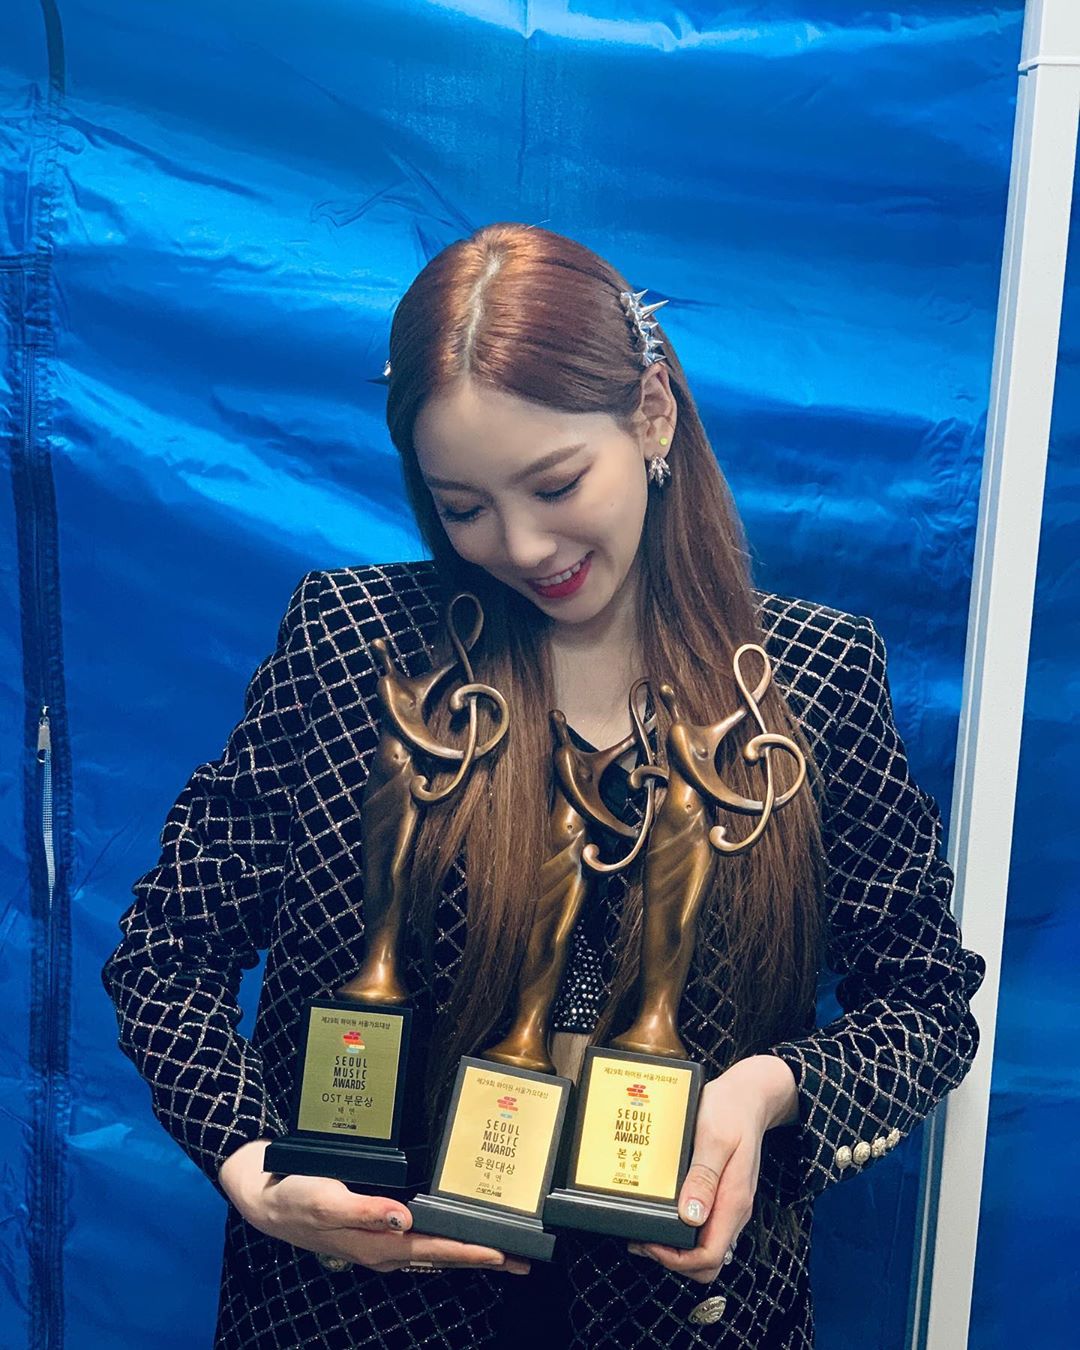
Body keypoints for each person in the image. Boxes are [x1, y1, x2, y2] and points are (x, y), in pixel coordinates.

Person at [102, 222, 985, 1349]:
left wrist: (769, 1092)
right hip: (350, 1314)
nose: (521, 546)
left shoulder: (811, 679)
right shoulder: (350, 646)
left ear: (652, 413)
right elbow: (165, 950)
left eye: (556, 483)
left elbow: (926, 1002)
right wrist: (252, 1166)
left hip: (689, 1320)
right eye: (463, 507)